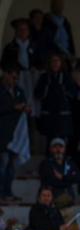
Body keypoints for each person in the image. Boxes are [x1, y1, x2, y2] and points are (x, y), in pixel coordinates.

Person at [33, 52, 77, 146]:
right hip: (49, 114)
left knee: (62, 142)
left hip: (62, 115)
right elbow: (37, 94)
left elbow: (73, 94)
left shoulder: (66, 77)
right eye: (53, 61)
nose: (55, 63)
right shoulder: (44, 77)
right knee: (49, 141)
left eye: (57, 61)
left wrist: (62, 91)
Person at [0, 64, 30, 202]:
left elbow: (23, 103)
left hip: (15, 134)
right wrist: (13, 107)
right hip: (2, 134)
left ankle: (8, 192)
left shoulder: (18, 90)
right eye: (13, 77)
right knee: (3, 165)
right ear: (5, 74)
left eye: (17, 78)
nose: (15, 80)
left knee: (11, 167)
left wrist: (25, 109)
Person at [38, 137, 79, 212]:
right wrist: (68, 181)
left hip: (69, 204)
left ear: (64, 148)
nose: (58, 149)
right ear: (50, 149)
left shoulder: (70, 162)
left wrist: (63, 177)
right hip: (53, 205)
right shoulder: (46, 163)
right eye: (55, 147)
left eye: (60, 147)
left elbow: (77, 178)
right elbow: (51, 180)